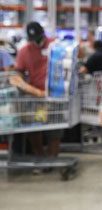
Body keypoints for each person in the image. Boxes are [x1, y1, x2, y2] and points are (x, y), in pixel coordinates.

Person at [11, 22, 64, 159]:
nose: (36, 42)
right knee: (34, 128)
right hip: (35, 96)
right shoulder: (24, 51)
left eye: (38, 38)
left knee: (55, 128)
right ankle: (40, 156)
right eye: (33, 40)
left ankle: (52, 157)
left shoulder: (56, 45)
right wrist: (22, 83)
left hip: (55, 95)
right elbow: (18, 72)